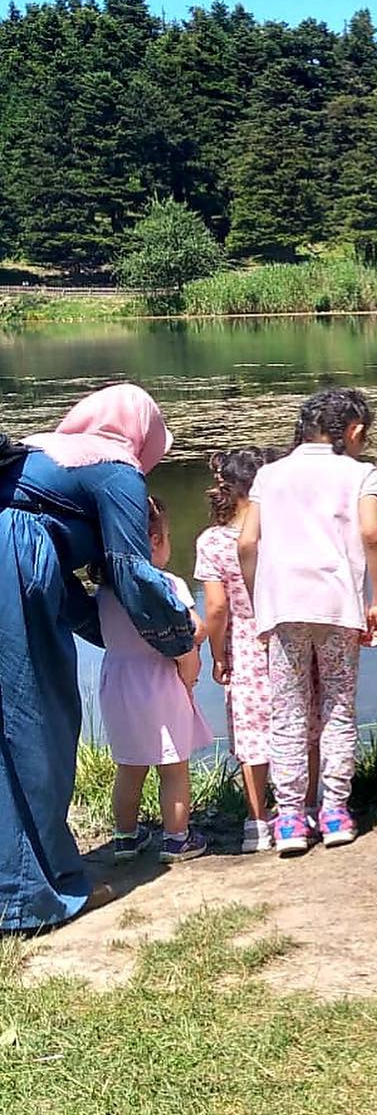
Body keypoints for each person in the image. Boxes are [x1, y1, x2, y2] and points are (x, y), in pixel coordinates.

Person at [1, 385, 196, 931]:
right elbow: (133, 574)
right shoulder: (116, 468)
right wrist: (179, 641)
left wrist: (114, 635)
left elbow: (82, 595)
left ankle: (17, 881)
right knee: (38, 723)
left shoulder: (48, 452)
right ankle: (34, 898)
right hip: (13, 567)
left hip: (14, 568)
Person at [239, 389, 377, 856]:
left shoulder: (269, 474)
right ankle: (335, 810)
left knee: (288, 711)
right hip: (339, 606)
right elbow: (371, 533)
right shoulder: (360, 473)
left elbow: (247, 542)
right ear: (354, 432)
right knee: (339, 707)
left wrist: (259, 595)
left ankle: (288, 819)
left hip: (284, 609)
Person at [105, 496, 212, 863]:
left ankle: (125, 836)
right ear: (153, 540)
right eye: (167, 535)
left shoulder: (105, 589)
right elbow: (193, 630)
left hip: (117, 682)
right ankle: (177, 837)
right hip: (159, 681)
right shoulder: (167, 584)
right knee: (173, 766)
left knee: (129, 765)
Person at [195, 447, 282, 852]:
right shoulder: (280, 530)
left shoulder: (212, 541)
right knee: (293, 720)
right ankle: (300, 808)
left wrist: (218, 654)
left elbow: (215, 607)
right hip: (283, 633)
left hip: (243, 643)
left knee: (251, 733)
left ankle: (256, 821)